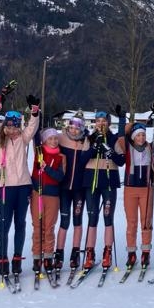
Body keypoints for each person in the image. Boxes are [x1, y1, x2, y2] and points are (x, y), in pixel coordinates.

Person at [0, 94, 40, 284]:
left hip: (23, 186)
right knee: (4, 223)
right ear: (4, 126)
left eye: (15, 126)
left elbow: (32, 128)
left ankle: (17, 258)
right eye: (9, 126)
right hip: (5, 187)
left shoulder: (23, 140)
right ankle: (3, 259)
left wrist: (34, 112)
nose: (12, 129)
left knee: (20, 223)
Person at [80, 109, 126, 271]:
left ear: (108, 123)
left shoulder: (113, 139)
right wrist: (94, 147)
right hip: (91, 181)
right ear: (95, 123)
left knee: (108, 217)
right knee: (92, 217)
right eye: (98, 121)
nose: (101, 123)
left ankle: (107, 252)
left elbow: (121, 161)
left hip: (108, 181)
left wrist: (109, 150)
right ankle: (89, 253)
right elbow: (82, 160)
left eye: (104, 121)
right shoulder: (89, 138)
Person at [120, 114, 154, 272]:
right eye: (138, 135)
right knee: (132, 222)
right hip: (130, 188)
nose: (141, 137)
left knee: (146, 221)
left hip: (146, 188)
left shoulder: (150, 147)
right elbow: (122, 134)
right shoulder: (128, 147)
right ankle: (131, 253)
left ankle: (146, 252)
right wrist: (123, 119)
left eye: (143, 134)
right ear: (133, 137)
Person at [55, 114, 91, 274]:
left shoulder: (85, 141)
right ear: (68, 126)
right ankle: (59, 253)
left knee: (77, 220)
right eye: (72, 126)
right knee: (64, 221)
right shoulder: (61, 138)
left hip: (79, 189)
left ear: (82, 128)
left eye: (78, 127)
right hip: (63, 188)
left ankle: (75, 253)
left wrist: (90, 141)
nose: (74, 129)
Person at [31, 127, 65, 276]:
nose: (53, 141)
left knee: (49, 227)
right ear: (44, 140)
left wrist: (47, 168)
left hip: (52, 195)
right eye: (50, 139)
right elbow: (35, 136)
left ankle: (48, 257)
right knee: (38, 227)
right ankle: (37, 257)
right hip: (37, 193)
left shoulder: (61, 156)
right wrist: (36, 115)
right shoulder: (39, 152)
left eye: (55, 138)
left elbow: (60, 176)